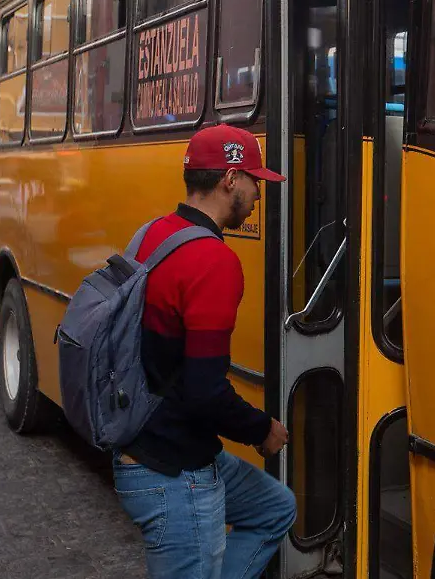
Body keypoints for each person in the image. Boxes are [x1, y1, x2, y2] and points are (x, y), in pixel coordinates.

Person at [113, 123, 295, 579]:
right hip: (173, 472)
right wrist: (262, 429)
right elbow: (205, 393)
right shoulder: (215, 262)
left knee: (275, 507)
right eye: (255, 180)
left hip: (143, 444)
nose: (258, 193)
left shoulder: (152, 233)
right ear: (229, 180)